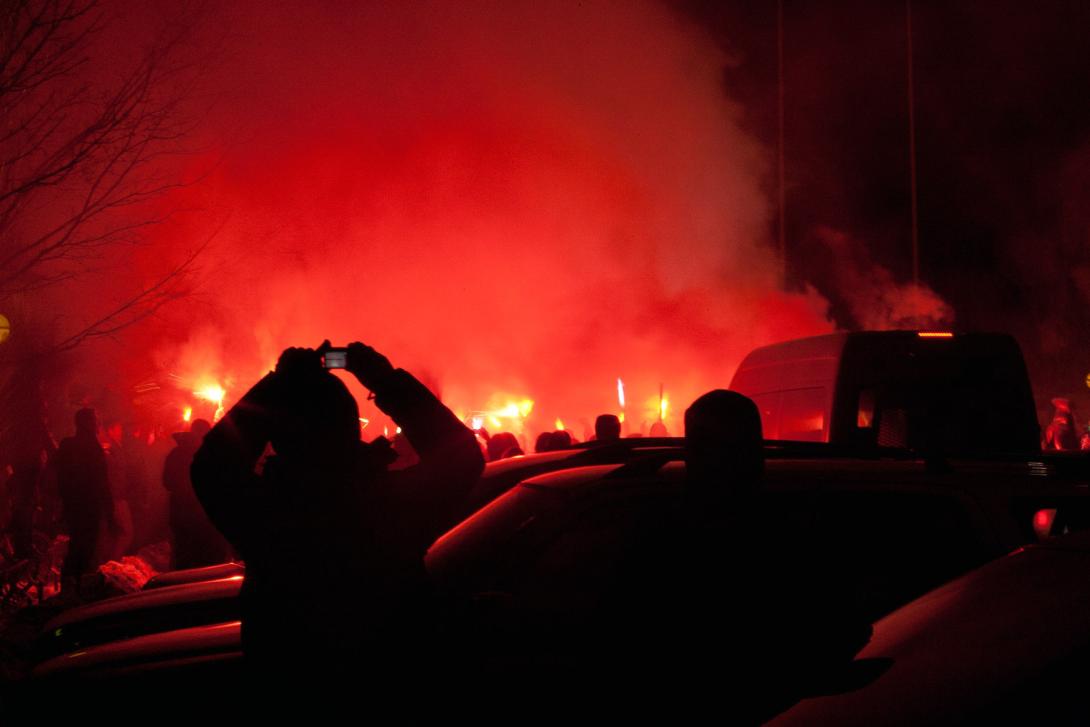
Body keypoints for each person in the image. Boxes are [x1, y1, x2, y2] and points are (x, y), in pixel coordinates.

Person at [191, 342, 484, 696]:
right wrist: (383, 379)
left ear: (278, 436)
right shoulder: (390, 503)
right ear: (350, 428)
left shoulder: (267, 513)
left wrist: (279, 385)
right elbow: (462, 457)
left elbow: (211, 466)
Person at [54, 408, 116, 595]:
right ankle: (78, 590)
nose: (98, 425)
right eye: (95, 421)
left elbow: (60, 477)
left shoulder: (67, 445)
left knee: (77, 545)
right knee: (86, 548)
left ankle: (69, 586)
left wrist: (63, 502)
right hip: (89, 506)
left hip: (73, 505)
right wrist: (110, 512)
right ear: (89, 423)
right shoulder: (92, 448)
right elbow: (102, 482)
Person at [163, 419, 231, 569]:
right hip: (205, 516)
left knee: (184, 555)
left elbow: (167, 482)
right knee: (208, 558)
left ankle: (181, 580)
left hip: (181, 514)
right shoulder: (213, 453)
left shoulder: (176, 453)